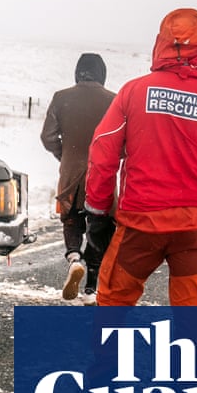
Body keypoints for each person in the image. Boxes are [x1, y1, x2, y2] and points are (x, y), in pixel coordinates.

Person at [83, 8, 197, 306]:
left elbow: (103, 151)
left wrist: (98, 213)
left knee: (115, 302)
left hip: (140, 222)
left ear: (161, 43)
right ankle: (185, 353)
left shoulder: (133, 92)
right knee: (190, 314)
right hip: (194, 227)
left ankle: (111, 353)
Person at [40, 53, 116, 302]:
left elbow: (47, 137)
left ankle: (74, 257)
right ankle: (91, 285)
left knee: (71, 218)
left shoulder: (61, 98)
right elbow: (124, 142)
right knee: (100, 225)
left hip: (71, 172)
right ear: (101, 74)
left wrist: (66, 156)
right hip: (101, 175)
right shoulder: (113, 101)